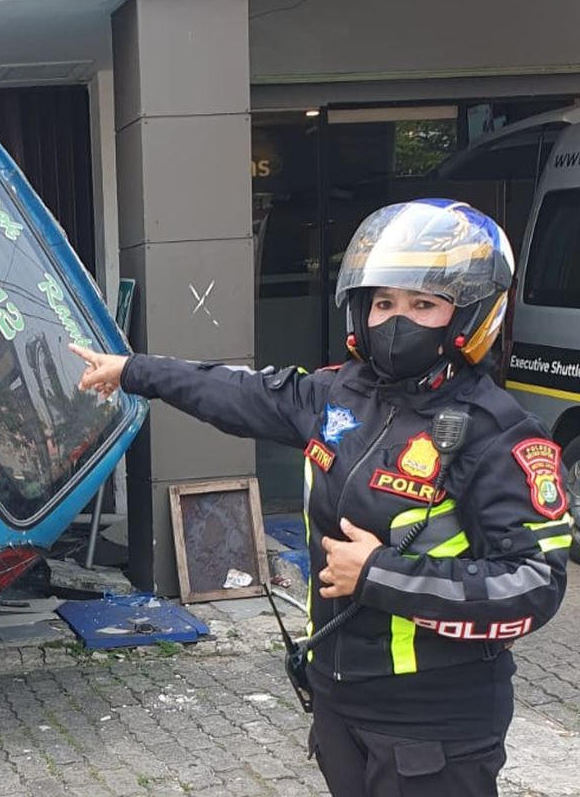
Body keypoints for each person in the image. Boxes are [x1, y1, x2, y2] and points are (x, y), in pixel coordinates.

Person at [70, 199, 571, 796]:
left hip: (435, 724)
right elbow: (232, 392)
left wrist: (379, 574)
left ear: (467, 316)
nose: (396, 320)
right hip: (338, 700)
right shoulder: (337, 395)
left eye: (423, 304)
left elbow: (534, 587)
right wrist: (133, 371)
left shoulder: (498, 433)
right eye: (384, 302)